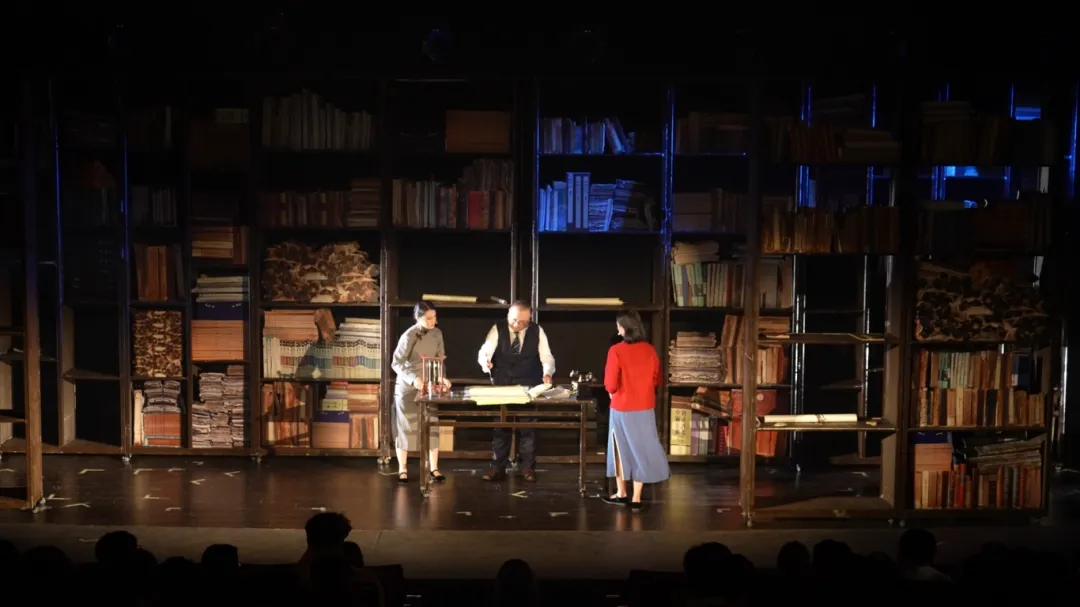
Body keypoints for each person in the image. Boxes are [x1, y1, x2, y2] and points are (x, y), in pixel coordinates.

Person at [477, 301, 555, 482]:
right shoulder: (498, 328)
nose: (517, 324)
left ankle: (527, 467)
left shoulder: (536, 331)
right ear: (508, 316)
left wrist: (547, 373)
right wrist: (485, 361)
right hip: (503, 384)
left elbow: (547, 356)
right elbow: (485, 351)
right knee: (501, 427)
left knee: (529, 429)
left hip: (529, 385)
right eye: (514, 320)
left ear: (529, 319)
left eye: (523, 322)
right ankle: (497, 467)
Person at [600, 310, 670, 509]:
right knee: (641, 449)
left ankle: (622, 493)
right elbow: (657, 379)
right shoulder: (650, 350)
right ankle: (637, 498)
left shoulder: (616, 350)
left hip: (622, 407)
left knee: (620, 449)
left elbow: (610, 383)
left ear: (623, 328)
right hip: (645, 407)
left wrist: (612, 393)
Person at [391, 301, 451, 483]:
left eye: (434, 317)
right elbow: (396, 363)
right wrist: (413, 379)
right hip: (409, 386)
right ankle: (402, 469)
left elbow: (439, 359)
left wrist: (442, 378)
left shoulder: (437, 333)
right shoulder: (409, 335)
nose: (433, 321)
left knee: (432, 424)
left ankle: (434, 468)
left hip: (429, 386)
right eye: (428, 318)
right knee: (406, 426)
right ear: (418, 318)